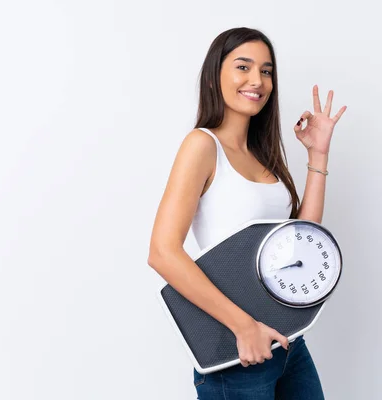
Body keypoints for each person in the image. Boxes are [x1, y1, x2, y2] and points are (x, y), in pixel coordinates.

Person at [147, 27, 346, 400]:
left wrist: (318, 155)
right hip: (236, 351)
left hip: (287, 342)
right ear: (215, 75)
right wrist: (244, 327)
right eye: (243, 66)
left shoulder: (263, 155)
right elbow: (162, 252)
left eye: (267, 71)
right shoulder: (202, 145)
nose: (257, 80)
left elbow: (303, 242)